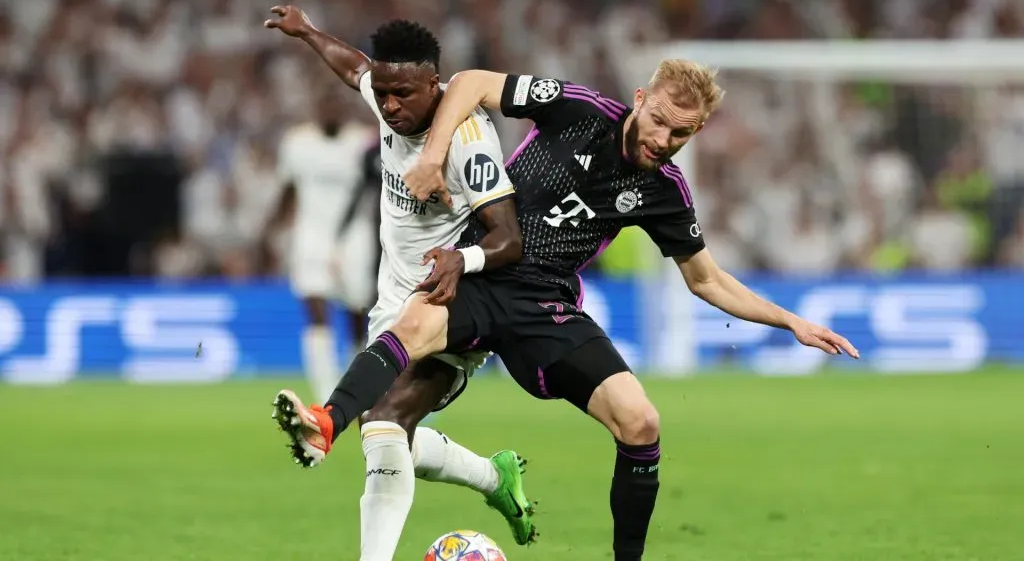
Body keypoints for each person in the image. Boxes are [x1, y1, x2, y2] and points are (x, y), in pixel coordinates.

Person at [278, 61, 861, 561]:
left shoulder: (665, 191)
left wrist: (792, 321)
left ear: (697, 131)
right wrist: (433, 158)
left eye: (679, 134)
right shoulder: (578, 108)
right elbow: (472, 82)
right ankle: (328, 421)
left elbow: (706, 280)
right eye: (657, 120)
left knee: (642, 422)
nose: (661, 139)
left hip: (545, 305)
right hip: (480, 266)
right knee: (409, 341)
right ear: (640, 98)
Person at [262, 5, 537, 554]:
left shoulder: (468, 139)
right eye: (383, 94)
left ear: (434, 84)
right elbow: (353, 68)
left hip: (449, 308)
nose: (389, 106)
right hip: (394, 307)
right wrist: (309, 31)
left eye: (403, 95)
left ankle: (327, 429)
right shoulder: (389, 93)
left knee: (384, 420)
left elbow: (508, 238)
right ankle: (493, 477)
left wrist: (464, 261)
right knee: (386, 431)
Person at [269, 91, 377, 401]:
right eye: (324, 104)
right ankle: (325, 393)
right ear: (316, 109)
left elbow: (376, 187)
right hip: (311, 236)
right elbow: (288, 189)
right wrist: (270, 229)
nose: (330, 110)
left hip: (354, 236)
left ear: (344, 109)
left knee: (357, 312)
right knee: (315, 308)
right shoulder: (297, 143)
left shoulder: (363, 141)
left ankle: (355, 386)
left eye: (335, 104)